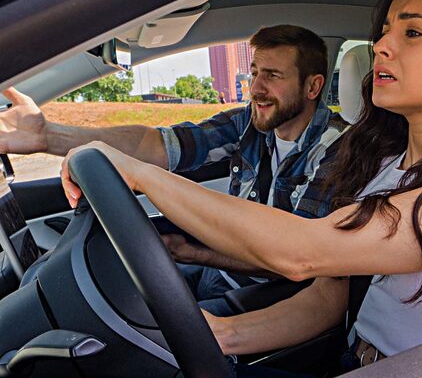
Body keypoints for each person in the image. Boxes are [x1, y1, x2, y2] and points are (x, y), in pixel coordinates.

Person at [60, 0, 422, 376]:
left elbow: (303, 253)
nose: (382, 46)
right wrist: (222, 335)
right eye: (384, 32)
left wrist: (139, 174)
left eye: (413, 32)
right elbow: (328, 299)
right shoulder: (389, 168)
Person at [0, 24, 349, 316]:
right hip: (221, 272)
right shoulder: (251, 122)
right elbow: (157, 145)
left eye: (272, 76)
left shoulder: (337, 149)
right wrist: (47, 136)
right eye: (255, 72)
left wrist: (190, 252)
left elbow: (294, 258)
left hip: (270, 297)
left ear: (313, 86)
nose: (256, 88)